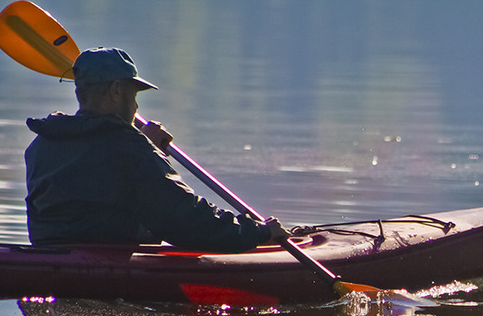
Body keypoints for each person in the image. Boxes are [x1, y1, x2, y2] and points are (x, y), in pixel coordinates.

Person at [24, 47, 288, 251]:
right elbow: (184, 218)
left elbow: (98, 164)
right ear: (117, 89)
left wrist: (145, 145)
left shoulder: (42, 143)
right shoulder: (130, 148)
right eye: (134, 94)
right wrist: (257, 232)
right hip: (111, 263)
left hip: (50, 256)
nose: (136, 107)